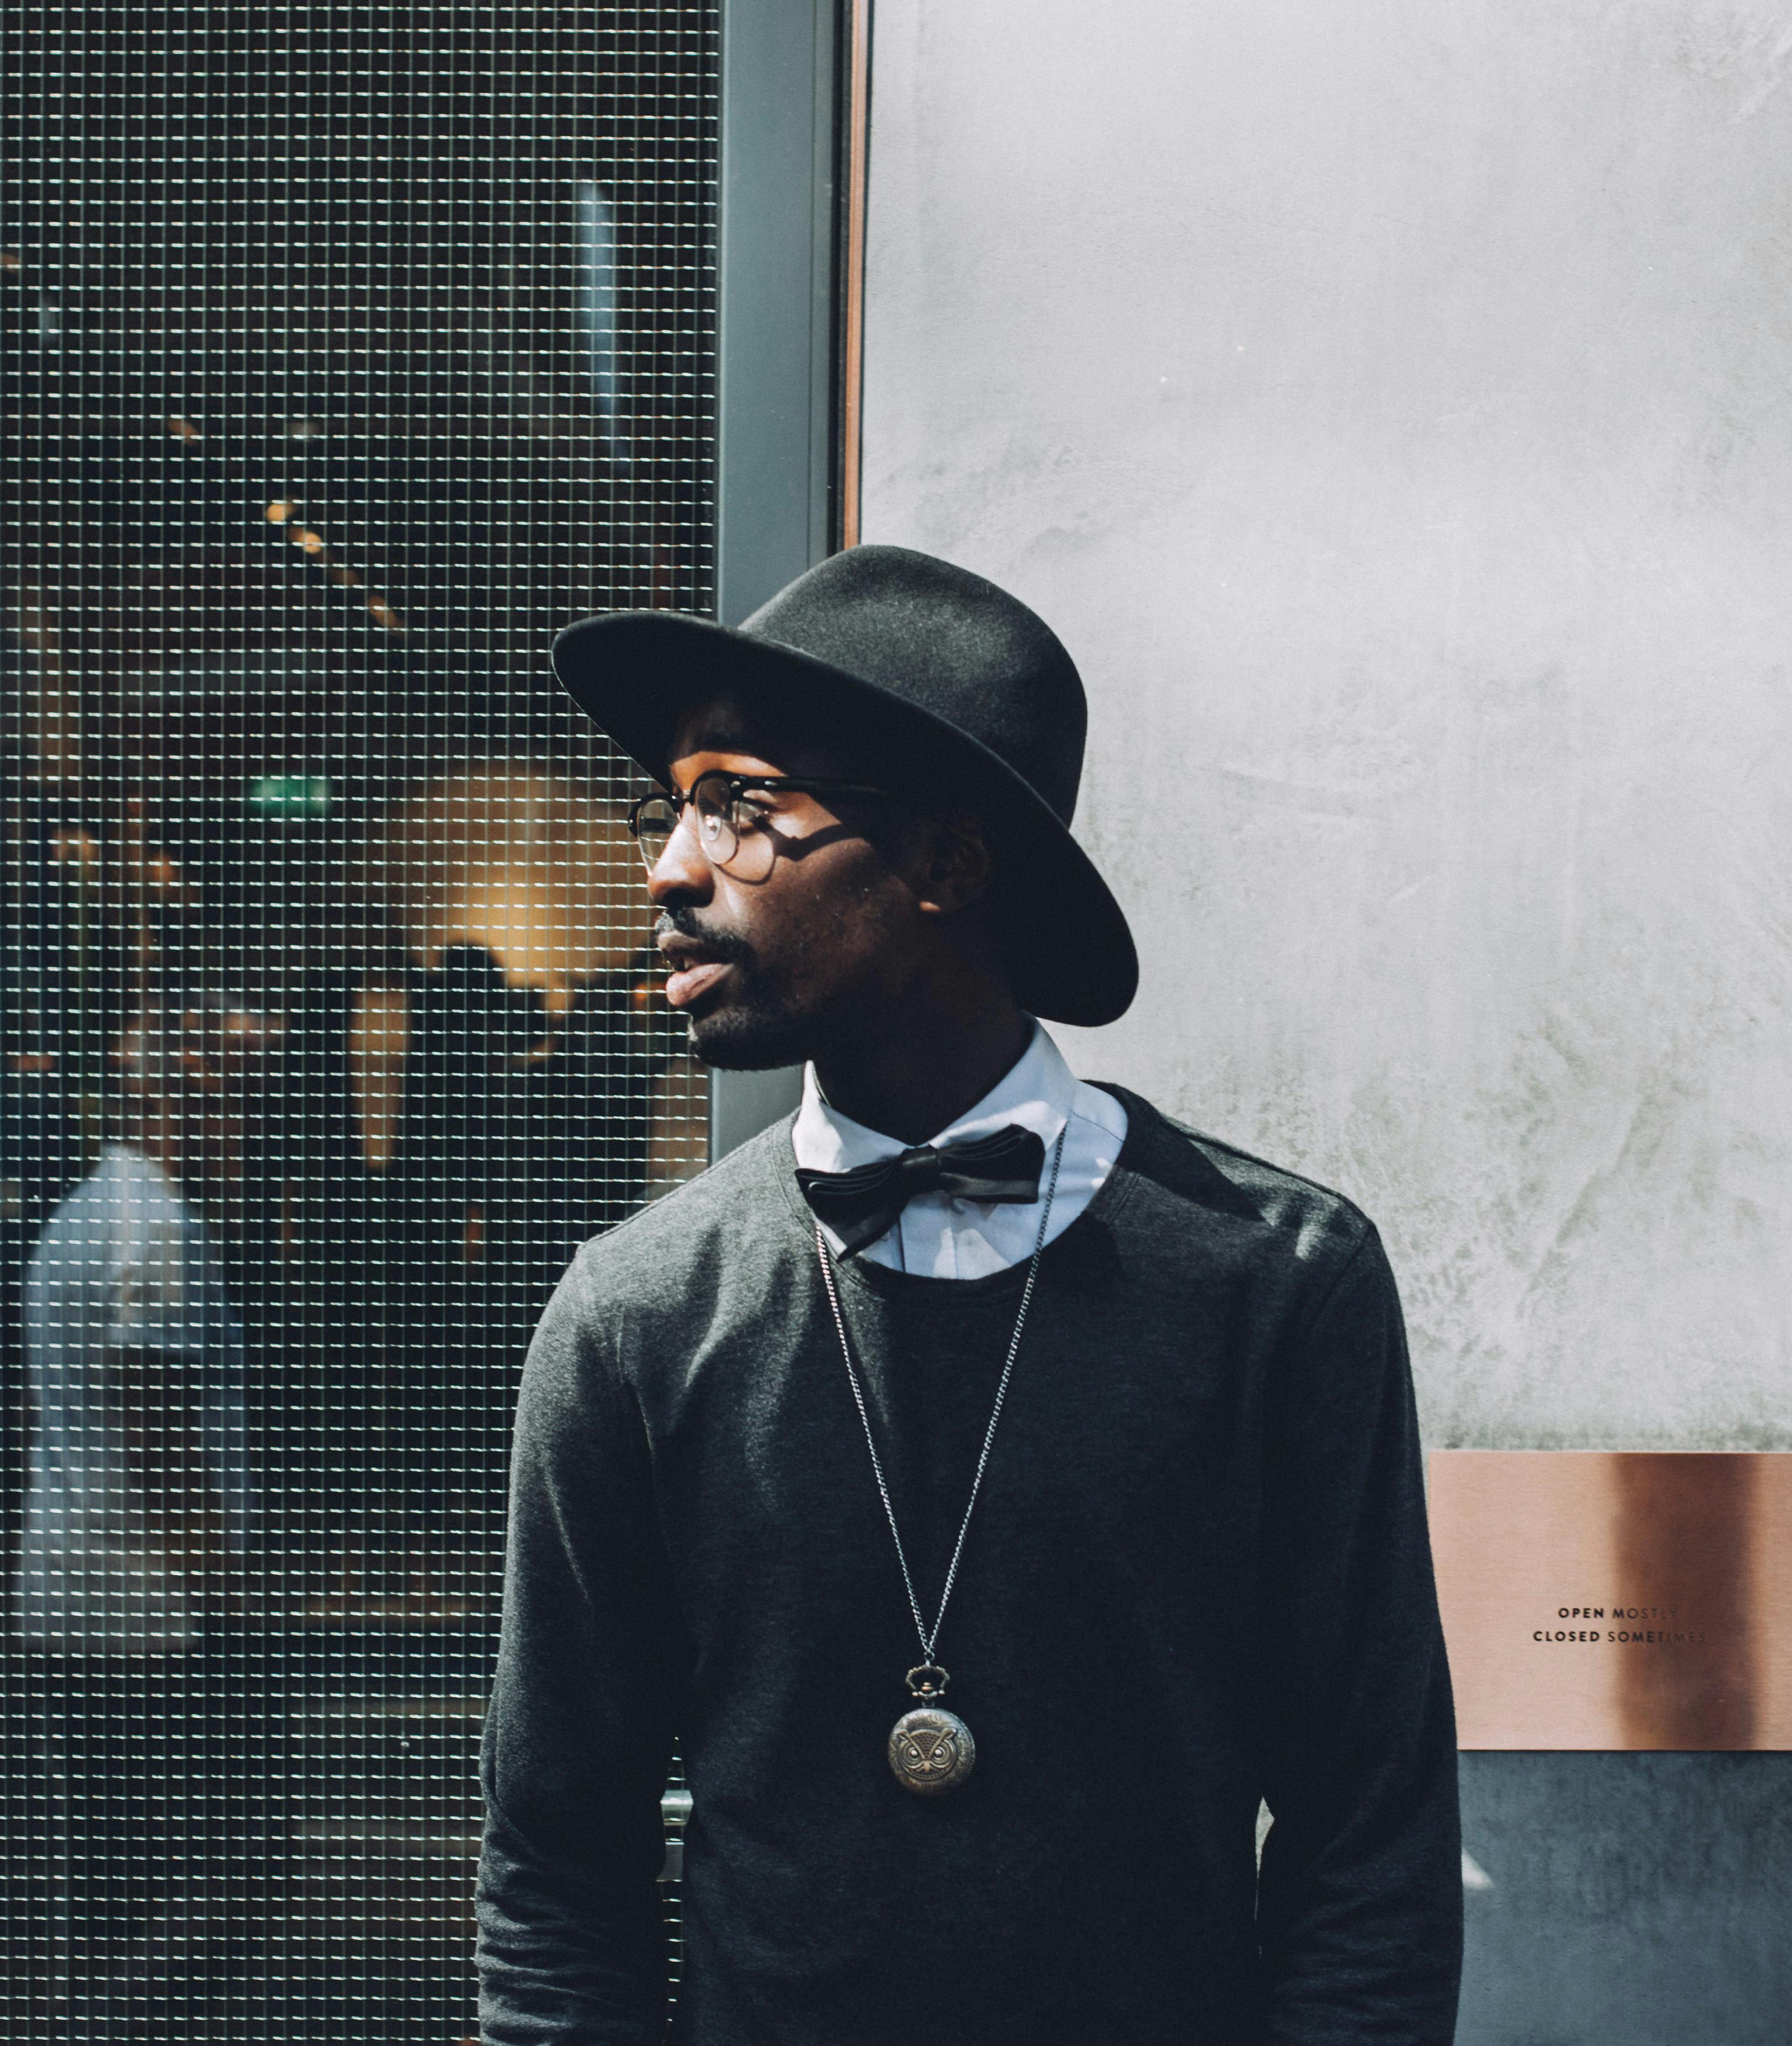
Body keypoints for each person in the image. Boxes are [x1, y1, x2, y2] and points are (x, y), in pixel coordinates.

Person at [476, 545, 1463, 2044]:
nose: (670, 866)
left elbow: (1368, 1844)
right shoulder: (635, 1316)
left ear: (944, 862)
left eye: (740, 806)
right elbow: (558, 1867)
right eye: (670, 805)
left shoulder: (1276, 1282)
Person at [16, 991, 273, 2011]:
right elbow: (159, 1433)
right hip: (147, 1612)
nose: (245, 1133)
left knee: (113, 1885)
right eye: (234, 1105)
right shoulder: (155, 1232)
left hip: (78, 1593)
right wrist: (225, 1596)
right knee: (188, 1895)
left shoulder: (79, 1218)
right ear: (177, 1103)